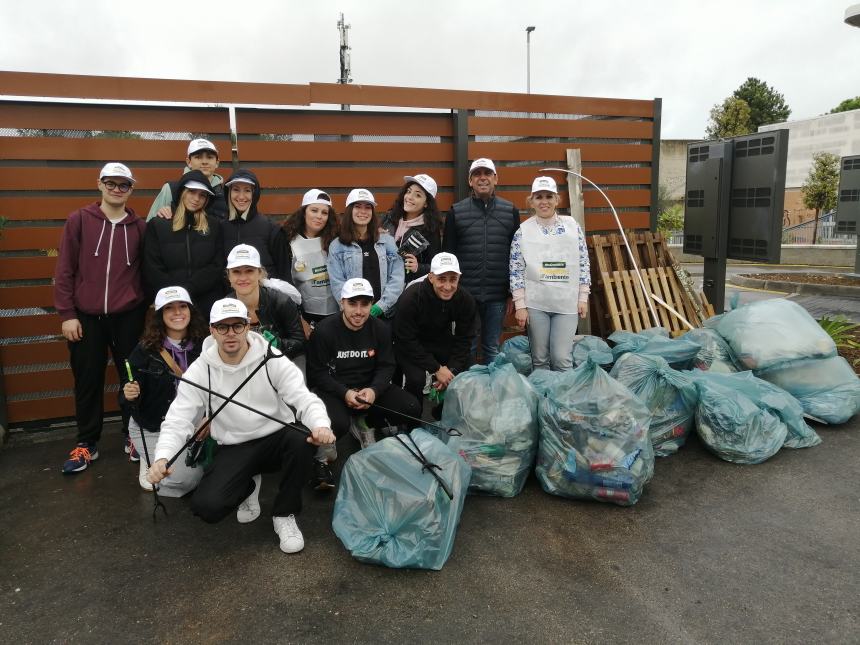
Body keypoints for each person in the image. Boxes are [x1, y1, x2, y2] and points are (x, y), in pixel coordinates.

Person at [148, 298, 335, 554]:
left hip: (276, 437)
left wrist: (320, 425)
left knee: (302, 439)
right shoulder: (201, 369)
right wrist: (162, 458)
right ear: (212, 330)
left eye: (237, 326)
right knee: (207, 508)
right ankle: (247, 485)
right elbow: (178, 419)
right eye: (222, 327)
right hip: (234, 445)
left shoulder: (271, 357)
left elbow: (304, 398)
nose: (230, 334)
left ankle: (284, 514)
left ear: (248, 326)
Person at [54, 162, 147, 474]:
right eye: (111, 183)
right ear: (100, 184)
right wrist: (67, 314)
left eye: (124, 185)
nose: (117, 189)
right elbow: (64, 270)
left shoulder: (139, 227)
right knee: (88, 379)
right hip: (86, 317)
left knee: (131, 377)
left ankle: (132, 436)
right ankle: (86, 443)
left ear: (131, 189)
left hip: (127, 316)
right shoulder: (79, 220)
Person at [307, 278, 421, 489]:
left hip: (368, 388)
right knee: (337, 423)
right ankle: (321, 456)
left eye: (365, 304)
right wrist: (345, 393)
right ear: (342, 303)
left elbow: (387, 366)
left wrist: (374, 391)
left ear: (371, 304)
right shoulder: (323, 331)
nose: (359, 311)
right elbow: (317, 374)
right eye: (353, 303)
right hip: (335, 390)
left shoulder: (380, 329)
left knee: (411, 407)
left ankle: (365, 423)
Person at [120, 286, 207, 494]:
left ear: (191, 310)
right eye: (169, 308)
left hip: (196, 425)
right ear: (160, 315)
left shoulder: (206, 344)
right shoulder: (145, 349)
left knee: (223, 470)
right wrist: (129, 393)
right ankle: (148, 456)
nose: (177, 313)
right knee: (183, 482)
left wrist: (209, 417)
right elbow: (126, 394)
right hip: (154, 427)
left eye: (182, 306)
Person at [509, 176, 591, 371]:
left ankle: (565, 400)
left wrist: (583, 296)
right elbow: (516, 269)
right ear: (531, 201)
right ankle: (544, 398)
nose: (543, 201)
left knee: (561, 358)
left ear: (557, 199)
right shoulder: (523, 231)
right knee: (539, 359)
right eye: (538, 197)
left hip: (566, 304)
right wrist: (520, 305)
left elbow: (583, 261)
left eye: (548, 196)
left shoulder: (572, 226)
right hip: (537, 304)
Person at [444, 158, 520, 364]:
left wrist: (513, 293)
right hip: (466, 294)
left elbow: (516, 256)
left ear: (496, 179)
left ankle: (491, 391)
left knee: (492, 347)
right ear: (470, 181)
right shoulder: (456, 212)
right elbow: (448, 256)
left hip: (497, 294)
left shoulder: (511, 211)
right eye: (477, 174)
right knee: (467, 345)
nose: (483, 178)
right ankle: (469, 392)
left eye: (487, 173)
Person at [394, 253, 478, 407]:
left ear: (459, 278)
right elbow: (405, 339)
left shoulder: (465, 299)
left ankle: (445, 415)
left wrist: (450, 371)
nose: (447, 286)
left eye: (453, 279)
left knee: (464, 372)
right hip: (411, 344)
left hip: (440, 340)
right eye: (441, 279)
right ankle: (412, 421)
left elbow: (465, 339)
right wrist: (437, 369)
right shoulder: (411, 298)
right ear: (431, 277)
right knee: (416, 379)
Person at [143, 169, 226, 317]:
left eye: (202, 195)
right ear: (181, 192)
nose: (196, 198)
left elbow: (217, 265)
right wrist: (176, 294)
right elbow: (152, 267)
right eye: (192, 192)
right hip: (170, 304)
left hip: (206, 304)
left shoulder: (214, 226)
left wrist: (190, 287)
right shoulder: (158, 225)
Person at [327, 189, 404, 321]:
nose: (363, 211)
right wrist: (355, 310)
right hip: (353, 317)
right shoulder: (337, 245)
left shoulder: (387, 242)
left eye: (368, 207)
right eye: (357, 206)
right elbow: (337, 282)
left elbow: (397, 277)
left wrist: (381, 306)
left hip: (384, 315)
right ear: (349, 210)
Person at [225, 244, 305, 367]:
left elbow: (299, 342)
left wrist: (279, 344)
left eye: (249, 270)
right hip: (244, 366)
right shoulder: (225, 307)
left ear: (259, 273)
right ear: (229, 276)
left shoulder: (281, 301)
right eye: (236, 272)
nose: (243, 277)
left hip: (283, 362)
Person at [275, 189, 340, 327]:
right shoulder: (286, 239)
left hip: (335, 312)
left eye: (324, 212)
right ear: (304, 212)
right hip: (303, 313)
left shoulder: (336, 238)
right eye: (314, 210)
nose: (319, 216)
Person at [381, 174, 442, 285]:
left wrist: (418, 268)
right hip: (382, 286)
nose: (409, 197)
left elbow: (436, 266)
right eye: (408, 191)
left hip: (408, 290)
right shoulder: (389, 218)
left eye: (417, 195)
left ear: (426, 203)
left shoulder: (430, 230)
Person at [219, 169, 281, 277]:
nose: (241, 197)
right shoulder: (220, 227)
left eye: (247, 190)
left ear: (254, 194)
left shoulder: (271, 228)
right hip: (229, 293)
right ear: (228, 193)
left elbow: (283, 272)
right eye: (236, 190)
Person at [147, 138, 226, 221]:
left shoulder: (226, 194)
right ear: (189, 162)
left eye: (210, 157)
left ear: (217, 163)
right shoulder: (170, 189)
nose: (204, 162)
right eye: (198, 157)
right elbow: (151, 226)